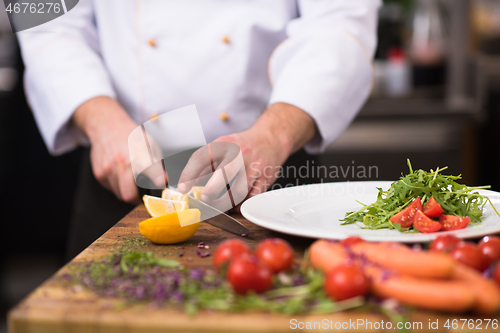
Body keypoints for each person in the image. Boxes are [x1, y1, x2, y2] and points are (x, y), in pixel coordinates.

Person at [17, 0, 380, 259]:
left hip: (272, 173)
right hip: (125, 170)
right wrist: (100, 119)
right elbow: (41, 18)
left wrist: (274, 134)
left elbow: (343, 21)